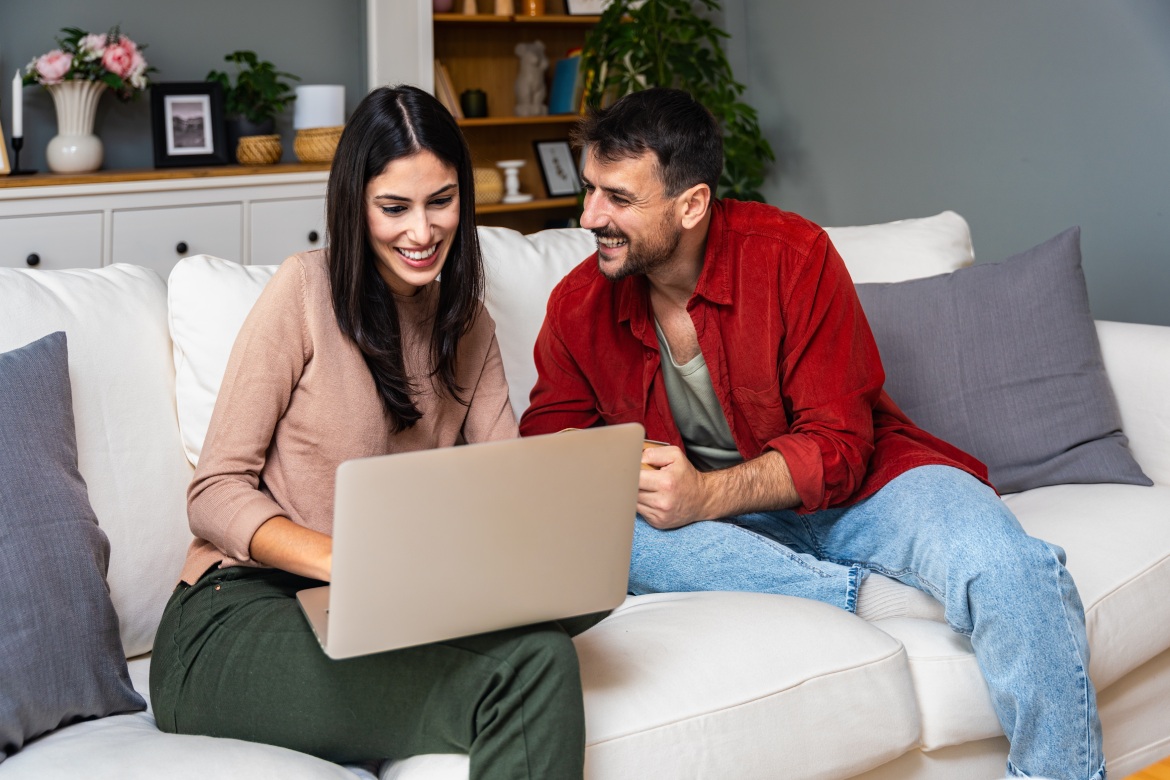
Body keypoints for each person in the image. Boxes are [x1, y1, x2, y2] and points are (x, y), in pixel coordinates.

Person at [519, 87, 1104, 780]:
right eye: (588, 190)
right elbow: (553, 446)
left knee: (1010, 567)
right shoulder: (578, 303)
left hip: (863, 491)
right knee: (613, 536)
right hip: (715, 537)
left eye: (617, 198)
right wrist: (625, 476)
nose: (589, 217)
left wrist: (704, 492)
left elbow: (839, 447)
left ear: (692, 204)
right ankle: (866, 597)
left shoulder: (792, 256)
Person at [150, 85, 586, 779]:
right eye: (394, 208)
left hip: (386, 609)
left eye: (441, 201)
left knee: (548, 633)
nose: (422, 231)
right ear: (356, 205)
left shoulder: (468, 324)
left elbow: (509, 488)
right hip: (236, 617)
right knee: (531, 667)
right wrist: (349, 563)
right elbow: (214, 491)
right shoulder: (304, 292)